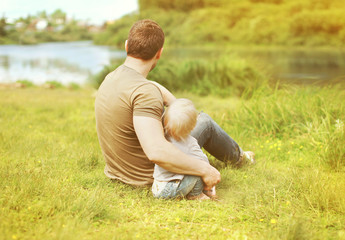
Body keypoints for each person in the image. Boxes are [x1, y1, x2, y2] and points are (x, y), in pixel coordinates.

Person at [95, 19, 254, 193]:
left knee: (192, 119)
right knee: (204, 122)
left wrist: (155, 88)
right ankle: (241, 158)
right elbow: (156, 151)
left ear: (126, 46)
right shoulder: (145, 93)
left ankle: (240, 155)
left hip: (119, 173)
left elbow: (177, 108)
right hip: (151, 176)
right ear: (159, 53)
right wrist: (206, 169)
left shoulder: (112, 78)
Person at [152, 98, 216, 200]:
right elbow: (204, 163)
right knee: (198, 172)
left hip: (157, 187)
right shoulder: (190, 144)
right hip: (168, 190)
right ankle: (196, 194)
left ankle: (182, 191)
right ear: (193, 126)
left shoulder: (163, 137)